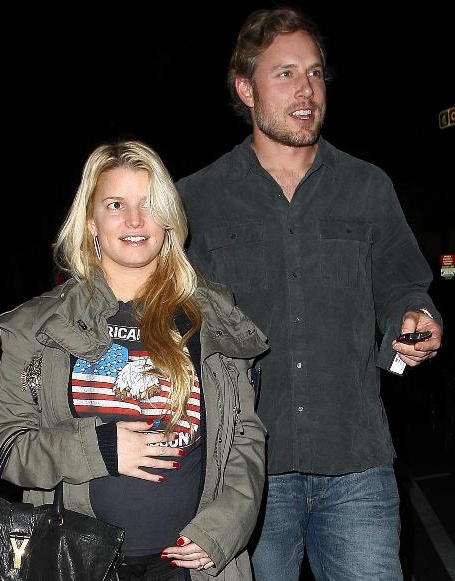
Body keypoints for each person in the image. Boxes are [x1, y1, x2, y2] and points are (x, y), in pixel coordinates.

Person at [176, 6, 443, 580]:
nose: (307, 89)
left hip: (357, 465)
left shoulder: (366, 186)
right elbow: (169, 317)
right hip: (243, 474)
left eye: (315, 73)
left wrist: (415, 315)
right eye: (286, 73)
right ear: (246, 89)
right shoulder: (198, 199)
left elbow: (403, 283)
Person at [0, 140, 268, 581]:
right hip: (74, 562)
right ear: (91, 221)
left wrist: (223, 529)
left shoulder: (212, 316)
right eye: (116, 204)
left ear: (169, 217)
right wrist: (98, 448)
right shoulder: (37, 326)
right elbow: (7, 444)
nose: (135, 220)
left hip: (188, 567)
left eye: (149, 203)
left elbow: (243, 437)